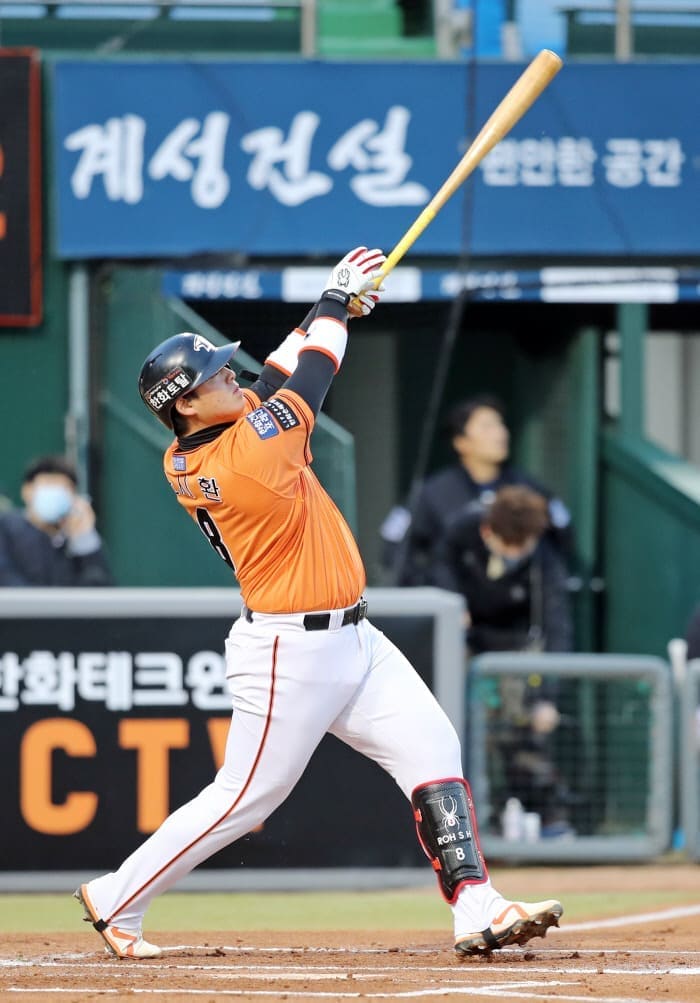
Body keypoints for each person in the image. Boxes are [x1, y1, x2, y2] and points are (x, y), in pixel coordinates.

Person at [73, 246, 562, 960]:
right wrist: (334, 303)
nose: (233, 375)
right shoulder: (247, 459)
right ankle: (118, 896)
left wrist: (332, 308)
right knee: (246, 796)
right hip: (289, 649)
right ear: (185, 404)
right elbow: (310, 377)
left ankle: (476, 905)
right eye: (214, 376)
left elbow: (275, 373)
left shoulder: (213, 437)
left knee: (432, 746)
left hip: (354, 637)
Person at [434, 485, 575, 837]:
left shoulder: (545, 558)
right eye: (507, 545)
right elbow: (436, 570)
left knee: (522, 736)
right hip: (464, 646)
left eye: (521, 546)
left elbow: (557, 625)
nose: (514, 553)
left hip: (516, 652)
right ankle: (467, 825)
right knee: (459, 736)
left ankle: (546, 819)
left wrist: (547, 699)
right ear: (488, 532)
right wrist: (454, 606)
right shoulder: (462, 532)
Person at [381, 394, 572, 586]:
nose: (501, 433)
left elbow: (562, 530)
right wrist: (432, 586)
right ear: (461, 442)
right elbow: (394, 543)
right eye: (487, 427)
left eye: (500, 425)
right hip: (457, 597)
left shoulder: (527, 488)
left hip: (516, 596)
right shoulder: (433, 492)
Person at [0, 455, 113, 586]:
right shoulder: (6, 528)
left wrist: (84, 540)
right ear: (26, 490)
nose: (56, 492)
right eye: (49, 484)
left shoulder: (76, 539)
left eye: (65, 487)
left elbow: (101, 588)